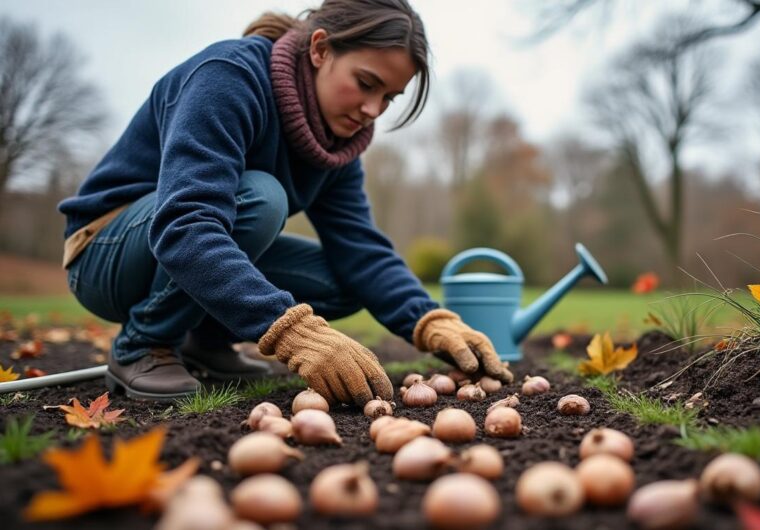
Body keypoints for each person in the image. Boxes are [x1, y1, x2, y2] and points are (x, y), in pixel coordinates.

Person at [59, 0, 513, 403]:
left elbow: (360, 248)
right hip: (105, 251)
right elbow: (185, 225)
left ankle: (206, 343)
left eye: (388, 98)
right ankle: (143, 343)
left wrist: (429, 319)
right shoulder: (228, 77)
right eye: (365, 83)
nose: (373, 110)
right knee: (260, 197)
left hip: (174, 250)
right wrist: (293, 332)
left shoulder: (336, 141)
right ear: (320, 49)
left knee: (344, 279)